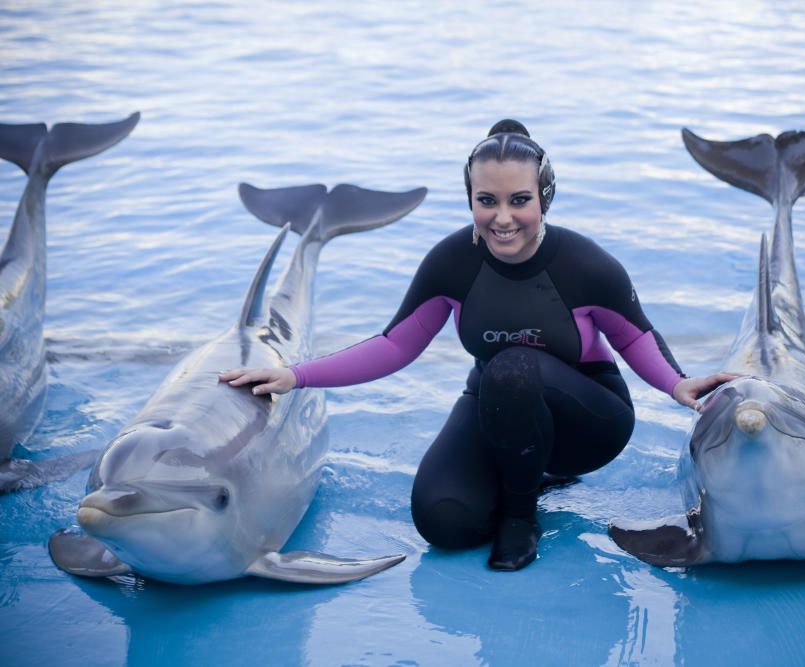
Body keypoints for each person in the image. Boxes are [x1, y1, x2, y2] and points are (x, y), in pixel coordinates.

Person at [219, 120, 738, 571]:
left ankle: (521, 516)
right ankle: (521, 475)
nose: (503, 217)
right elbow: (395, 345)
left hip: (589, 421)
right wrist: (295, 375)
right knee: (444, 521)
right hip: (497, 404)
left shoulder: (585, 265)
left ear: (545, 197)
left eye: (520, 200)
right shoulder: (452, 262)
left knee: (513, 369)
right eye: (486, 201)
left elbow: (635, 337)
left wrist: (677, 383)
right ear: (471, 198)